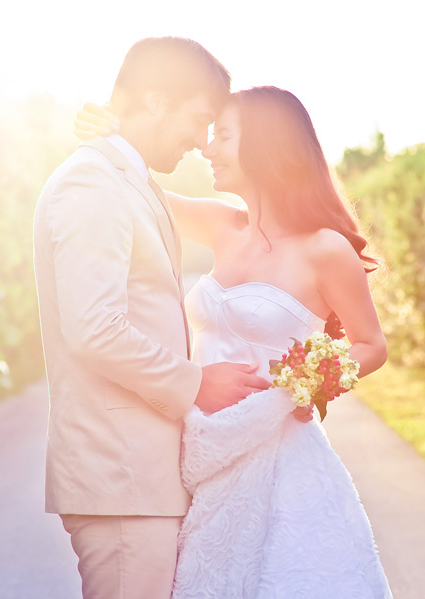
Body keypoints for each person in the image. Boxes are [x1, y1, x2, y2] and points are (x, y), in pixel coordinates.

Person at [75, 86, 394, 597]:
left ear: (267, 147)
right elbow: (131, 189)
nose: (207, 147)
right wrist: (106, 134)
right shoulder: (221, 223)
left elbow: (371, 345)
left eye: (223, 134)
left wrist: (304, 383)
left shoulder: (325, 249)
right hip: (202, 447)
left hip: (279, 457)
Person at [32, 37, 275, 599]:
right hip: (120, 478)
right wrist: (196, 384)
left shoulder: (126, 181)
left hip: (139, 479)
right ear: (156, 100)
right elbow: (95, 331)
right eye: (199, 120)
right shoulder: (91, 184)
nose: (201, 140)